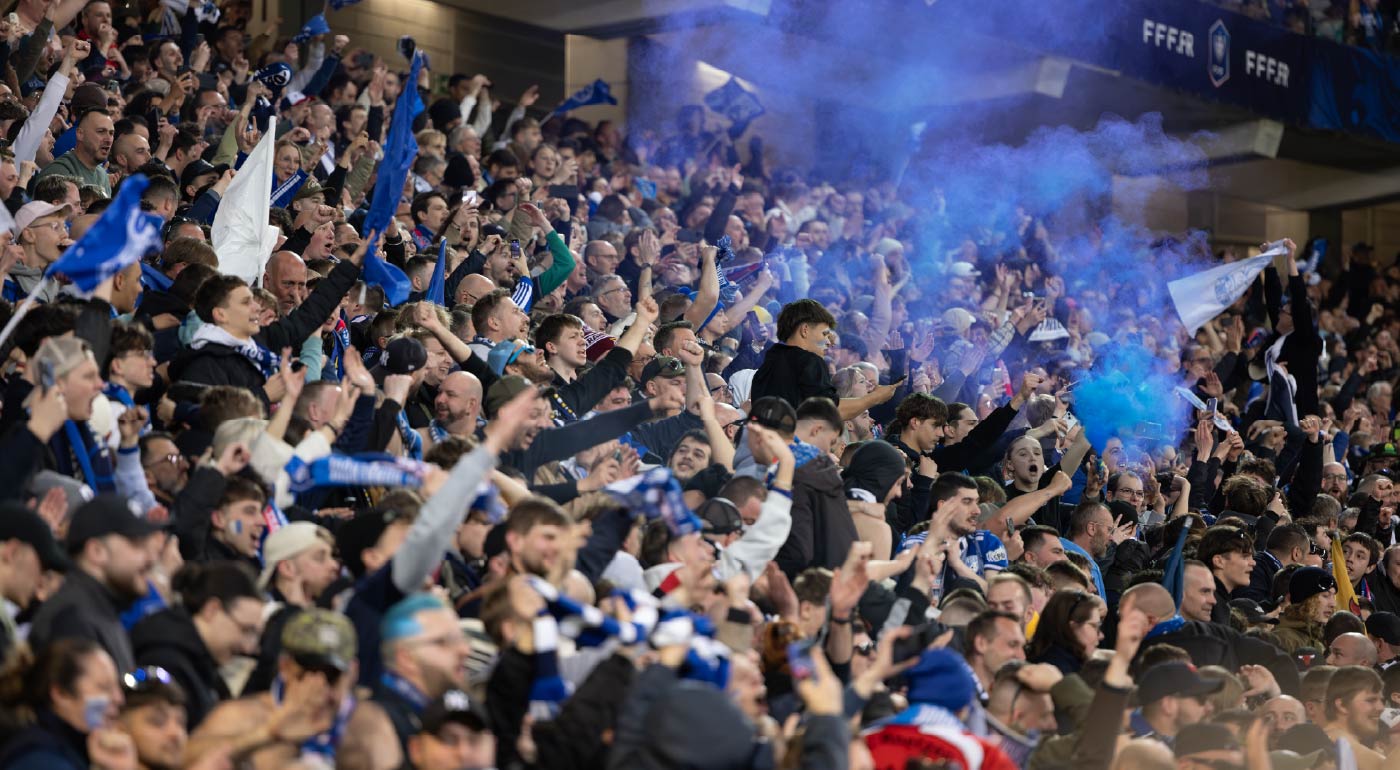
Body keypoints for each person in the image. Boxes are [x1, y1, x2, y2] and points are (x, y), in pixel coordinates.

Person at [188, 609, 402, 770]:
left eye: (331, 677)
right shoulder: (242, 716)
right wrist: (266, 734)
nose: (317, 689)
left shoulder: (368, 724)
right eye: (307, 674)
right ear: (285, 668)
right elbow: (181, 760)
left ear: (353, 673)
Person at [29, 494, 160, 673]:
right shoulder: (72, 622)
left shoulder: (99, 611)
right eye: (136, 543)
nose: (151, 558)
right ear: (96, 551)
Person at [131, 562, 265, 727]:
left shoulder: (199, 661)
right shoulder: (167, 661)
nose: (248, 647)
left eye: (254, 635)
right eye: (245, 630)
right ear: (212, 609)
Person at [0, 638, 131, 770]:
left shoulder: (72, 750)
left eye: (117, 687)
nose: (119, 699)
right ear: (61, 694)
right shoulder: (38, 759)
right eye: (104, 687)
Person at [1026, 589, 1104, 674]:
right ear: (1071, 628)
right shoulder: (1060, 671)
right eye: (1094, 626)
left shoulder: (1045, 656)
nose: (1101, 635)